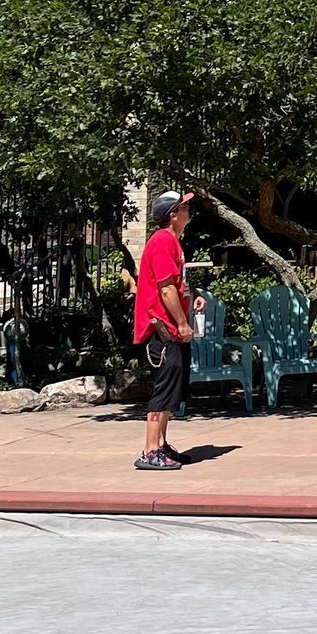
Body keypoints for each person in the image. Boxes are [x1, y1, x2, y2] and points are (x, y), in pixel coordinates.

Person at [133, 190, 195, 470]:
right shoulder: (161, 242)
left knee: (172, 391)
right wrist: (182, 323)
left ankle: (161, 445)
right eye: (184, 207)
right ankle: (149, 450)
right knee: (162, 390)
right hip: (163, 330)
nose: (188, 211)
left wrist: (196, 296)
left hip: (171, 329)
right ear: (173, 214)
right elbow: (166, 288)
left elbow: (176, 285)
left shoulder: (173, 242)